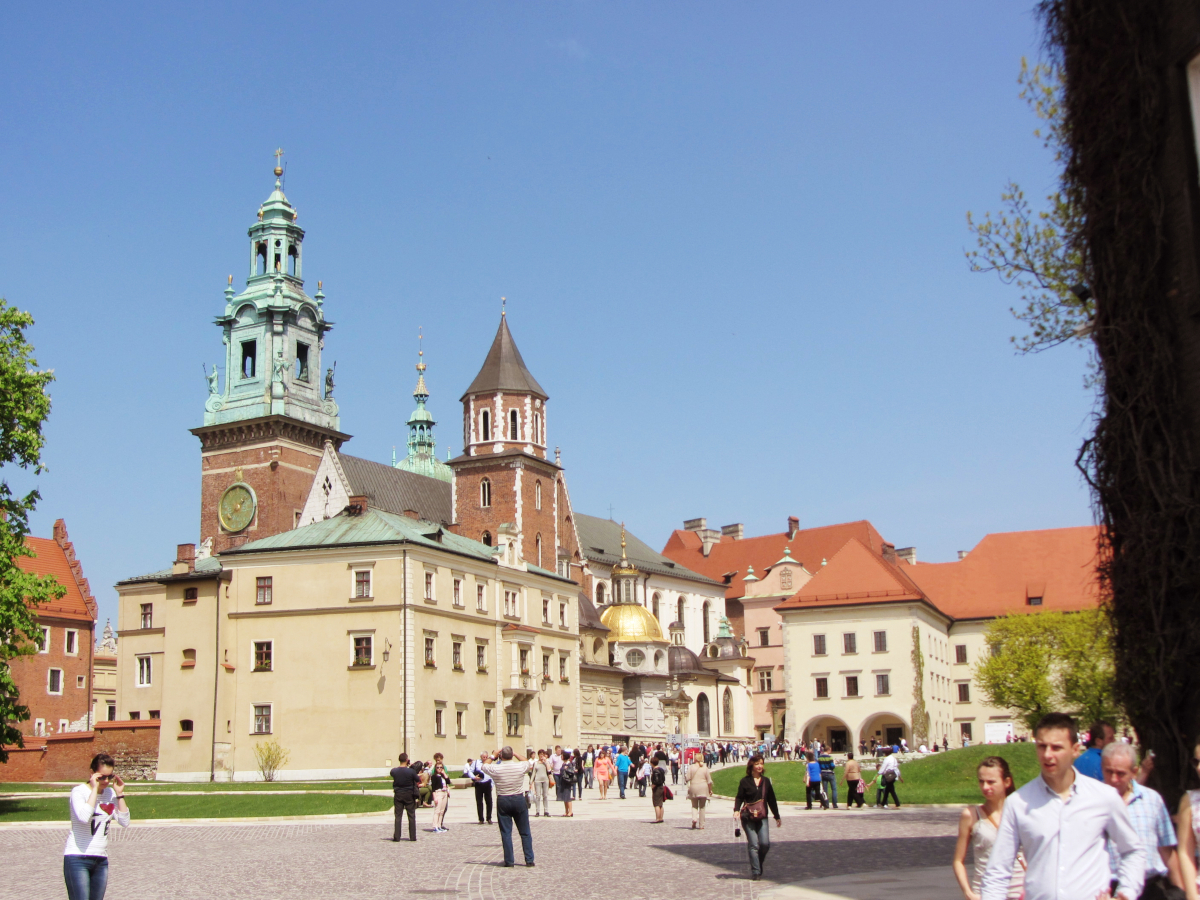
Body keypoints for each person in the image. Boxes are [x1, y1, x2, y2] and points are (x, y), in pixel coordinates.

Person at [981, 712, 1144, 900]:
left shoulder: (1103, 797)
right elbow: (997, 871)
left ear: (1075, 750)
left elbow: (1133, 850)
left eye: (1056, 747)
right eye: (1042, 746)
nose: (1048, 755)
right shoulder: (1019, 803)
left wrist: (1127, 892)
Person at [1101, 742, 1186, 899]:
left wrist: (1181, 890)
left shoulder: (1152, 799)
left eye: (1120, 773)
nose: (1114, 779)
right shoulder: (1092, 802)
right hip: (1109, 889)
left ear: (1134, 772)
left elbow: (1166, 850)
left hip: (1151, 887)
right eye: (1109, 772)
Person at [952, 756, 1024, 900]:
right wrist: (968, 892)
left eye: (991, 782)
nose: (985, 787)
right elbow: (958, 860)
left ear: (1007, 782)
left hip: (1021, 893)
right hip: (987, 893)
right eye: (981, 781)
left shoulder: (1022, 812)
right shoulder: (971, 815)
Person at [64, 752, 129, 900]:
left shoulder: (110, 793)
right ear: (92, 774)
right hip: (77, 858)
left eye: (109, 777)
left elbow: (124, 821)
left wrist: (119, 795)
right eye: (102, 777)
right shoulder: (79, 792)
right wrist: (94, 790)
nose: (106, 781)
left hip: (100, 860)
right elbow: (84, 817)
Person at [482, 746, 536, 868]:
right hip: (518, 798)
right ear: (511, 755)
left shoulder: (496, 768)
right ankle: (529, 859)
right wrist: (516, 753)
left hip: (503, 799)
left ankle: (509, 861)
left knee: (506, 832)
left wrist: (493, 755)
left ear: (501, 756)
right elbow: (527, 762)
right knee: (525, 832)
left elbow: (484, 766)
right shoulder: (519, 766)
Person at [733, 754, 782, 882]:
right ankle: (756, 871)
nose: (760, 766)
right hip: (748, 817)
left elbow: (771, 799)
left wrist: (777, 816)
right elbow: (739, 797)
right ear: (751, 766)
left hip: (762, 816)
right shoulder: (745, 781)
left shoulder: (765, 781)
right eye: (757, 764)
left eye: (761, 763)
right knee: (754, 844)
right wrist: (736, 810)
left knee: (765, 844)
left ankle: (758, 863)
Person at [1174, 739, 1200, 900]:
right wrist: (1192, 895)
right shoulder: (1190, 801)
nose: (1198, 768)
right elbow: (1185, 852)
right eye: (1196, 761)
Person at [389, 753, 420, 841]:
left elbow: (392, 773)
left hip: (398, 794)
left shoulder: (394, 771)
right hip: (409, 794)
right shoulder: (411, 771)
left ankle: (397, 836)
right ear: (407, 760)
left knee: (398, 816)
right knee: (411, 816)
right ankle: (413, 836)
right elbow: (417, 779)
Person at [686, 753, 713, 829]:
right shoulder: (705, 768)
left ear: (695, 759)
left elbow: (687, 778)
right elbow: (709, 781)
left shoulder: (691, 767)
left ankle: (694, 819)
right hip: (703, 788)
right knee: (702, 807)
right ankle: (701, 825)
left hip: (694, 787)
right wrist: (710, 790)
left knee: (694, 806)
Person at [468, 751, 494, 824]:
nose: (485, 758)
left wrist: (492, 784)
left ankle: (489, 818)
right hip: (479, 784)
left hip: (487, 783)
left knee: (489, 802)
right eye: (483, 757)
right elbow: (470, 771)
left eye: (486, 757)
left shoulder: (490, 763)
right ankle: (481, 819)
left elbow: (492, 774)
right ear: (481, 757)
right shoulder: (476, 762)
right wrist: (474, 777)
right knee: (479, 802)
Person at [430, 761, 452, 833]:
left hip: (444, 792)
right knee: (437, 810)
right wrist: (434, 797)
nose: (439, 769)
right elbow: (433, 788)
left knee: (442, 811)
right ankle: (435, 826)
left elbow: (448, 782)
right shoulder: (434, 777)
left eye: (441, 767)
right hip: (438, 792)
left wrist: (444, 774)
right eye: (438, 767)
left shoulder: (443, 776)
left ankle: (439, 825)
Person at [556, 749, 576, 816]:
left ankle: (570, 811)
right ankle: (566, 811)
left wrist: (566, 769)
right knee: (564, 797)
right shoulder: (563, 764)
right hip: (563, 781)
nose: (561, 757)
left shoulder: (569, 764)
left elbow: (571, 772)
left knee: (567, 797)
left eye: (562, 755)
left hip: (567, 782)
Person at [531, 750, 551, 817]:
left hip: (545, 780)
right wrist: (531, 782)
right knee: (538, 796)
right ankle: (537, 811)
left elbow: (549, 770)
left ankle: (546, 811)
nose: (541, 755)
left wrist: (546, 762)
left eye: (543, 754)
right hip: (537, 780)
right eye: (540, 754)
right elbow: (534, 772)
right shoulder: (536, 763)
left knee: (545, 796)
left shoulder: (546, 762)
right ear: (538, 755)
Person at [651, 754, 668, 823]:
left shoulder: (655, 770)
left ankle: (658, 818)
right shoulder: (661, 769)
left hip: (657, 788)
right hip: (662, 787)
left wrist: (653, 785)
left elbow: (656, 780)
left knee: (656, 804)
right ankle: (661, 817)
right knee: (660, 804)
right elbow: (663, 778)